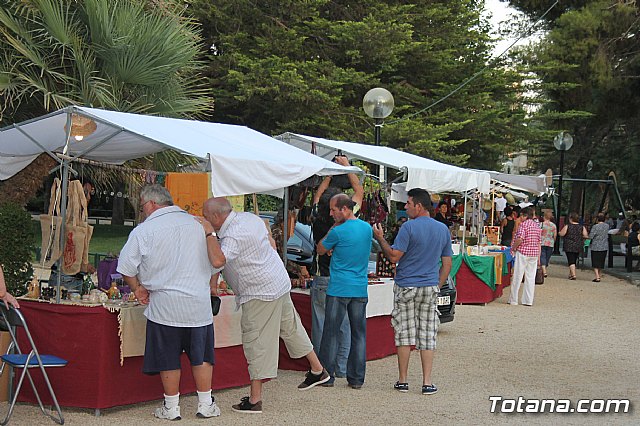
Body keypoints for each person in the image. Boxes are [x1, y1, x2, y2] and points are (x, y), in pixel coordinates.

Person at [201, 197, 329, 414]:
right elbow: (268, 237)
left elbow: (217, 260)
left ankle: (255, 399)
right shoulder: (249, 218)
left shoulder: (231, 234)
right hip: (277, 282)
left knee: (256, 341)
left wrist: (208, 233)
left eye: (205, 216)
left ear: (215, 216)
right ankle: (318, 370)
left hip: (259, 292)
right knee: (291, 328)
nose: (204, 219)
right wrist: (214, 283)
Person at [116, 185, 220, 421]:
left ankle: (171, 408)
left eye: (142, 206)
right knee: (202, 356)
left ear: (151, 204)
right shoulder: (199, 225)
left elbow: (125, 267)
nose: (143, 211)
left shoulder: (145, 230)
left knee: (168, 356)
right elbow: (218, 262)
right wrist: (211, 284)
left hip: (164, 306)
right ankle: (206, 404)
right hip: (197, 304)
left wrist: (137, 288)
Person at [372, 188, 452, 395]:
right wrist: (437, 283)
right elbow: (447, 263)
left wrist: (380, 238)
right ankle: (427, 382)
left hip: (407, 284)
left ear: (418, 205)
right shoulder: (442, 229)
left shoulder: (408, 228)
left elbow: (394, 257)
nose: (405, 207)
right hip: (428, 286)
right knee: (427, 334)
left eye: (408, 203)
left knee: (404, 334)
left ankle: (403, 380)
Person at [309, 155, 364, 381]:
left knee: (322, 327)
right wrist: (347, 167)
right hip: (346, 281)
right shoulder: (349, 221)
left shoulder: (317, 217)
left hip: (322, 276)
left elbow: (317, 196)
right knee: (345, 328)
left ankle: (322, 369)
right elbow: (358, 192)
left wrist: (328, 173)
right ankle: (342, 368)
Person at [316, 194, 372, 389]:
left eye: (333, 210)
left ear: (345, 209)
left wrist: (332, 231)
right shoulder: (366, 228)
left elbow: (321, 249)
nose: (331, 214)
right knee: (359, 334)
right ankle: (356, 378)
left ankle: (327, 375)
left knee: (331, 332)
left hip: (339, 287)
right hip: (359, 287)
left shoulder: (337, 231)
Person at [508, 207, 542, 306]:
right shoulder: (537, 226)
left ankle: (513, 299)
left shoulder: (523, 225)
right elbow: (539, 242)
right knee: (530, 277)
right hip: (534, 253)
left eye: (521, 215)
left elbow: (520, 238)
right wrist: (539, 257)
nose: (520, 218)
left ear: (525, 216)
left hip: (523, 252)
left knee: (517, 276)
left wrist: (514, 247)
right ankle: (528, 300)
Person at [558, 212, 588, 280]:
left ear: (571, 219)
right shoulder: (582, 227)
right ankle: (571, 274)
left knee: (571, 260)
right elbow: (586, 235)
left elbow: (562, 234)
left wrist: (559, 233)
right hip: (578, 245)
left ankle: (573, 275)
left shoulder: (568, 226)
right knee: (574, 259)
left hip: (569, 245)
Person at [588, 213, 609, 282]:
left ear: (597, 219)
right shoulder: (607, 226)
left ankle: (597, 276)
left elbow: (591, 236)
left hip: (596, 246)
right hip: (604, 246)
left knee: (595, 262)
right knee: (601, 261)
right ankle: (599, 275)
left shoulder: (595, 227)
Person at [539, 211, 557, 278]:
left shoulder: (541, 224)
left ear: (544, 217)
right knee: (547, 257)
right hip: (550, 243)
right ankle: (544, 269)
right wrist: (553, 241)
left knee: (542, 256)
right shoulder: (553, 225)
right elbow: (555, 235)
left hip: (542, 242)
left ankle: (543, 270)